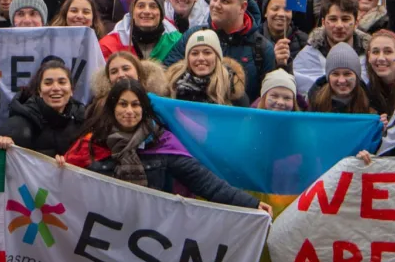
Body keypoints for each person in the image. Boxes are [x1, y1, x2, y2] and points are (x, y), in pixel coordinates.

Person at [61, 79, 270, 213]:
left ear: (144, 109)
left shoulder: (161, 143)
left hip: (148, 231)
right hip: (100, 228)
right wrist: (59, 167)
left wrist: (250, 204)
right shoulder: (91, 143)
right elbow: (62, 182)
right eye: (122, 104)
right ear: (112, 108)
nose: (129, 111)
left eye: (135, 105)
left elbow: (205, 183)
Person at [0, 59, 87, 156]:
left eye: (62, 82)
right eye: (48, 83)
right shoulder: (24, 118)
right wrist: (3, 141)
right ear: (39, 91)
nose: (56, 88)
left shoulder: (83, 118)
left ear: (71, 90)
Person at [166, 29, 247, 105]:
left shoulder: (232, 89)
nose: (201, 58)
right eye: (195, 53)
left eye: (207, 53)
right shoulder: (172, 87)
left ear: (217, 57)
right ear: (188, 58)